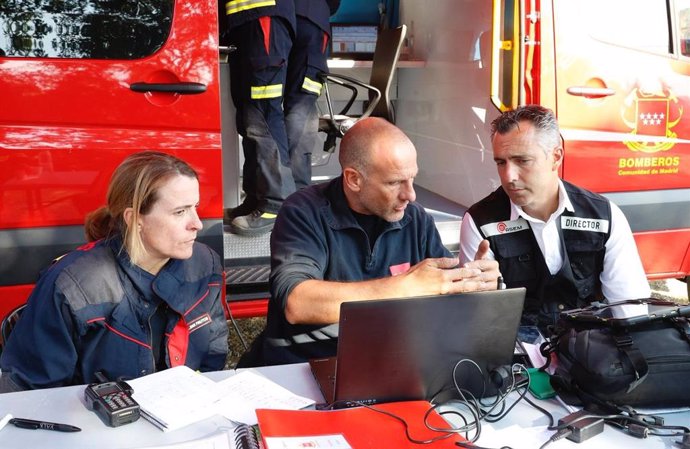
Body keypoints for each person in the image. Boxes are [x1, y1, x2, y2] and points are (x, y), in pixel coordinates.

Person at [250, 117, 501, 366]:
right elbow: (298, 302)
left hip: (388, 362)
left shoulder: (415, 219)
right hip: (305, 364)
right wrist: (405, 287)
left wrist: (472, 283)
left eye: (412, 178)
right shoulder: (303, 211)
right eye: (394, 183)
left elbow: (439, 291)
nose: (410, 195)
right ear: (354, 179)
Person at [0, 152, 229, 392]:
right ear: (134, 218)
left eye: (195, 207)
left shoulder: (205, 263)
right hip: (93, 422)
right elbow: (28, 388)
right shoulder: (75, 286)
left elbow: (213, 349)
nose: (197, 223)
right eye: (180, 212)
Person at [459, 105, 651, 331]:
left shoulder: (604, 216)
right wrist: (482, 295)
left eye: (522, 160)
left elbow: (630, 309)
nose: (509, 176)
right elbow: (480, 321)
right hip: (517, 353)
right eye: (501, 162)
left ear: (556, 157)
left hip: (592, 350)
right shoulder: (481, 221)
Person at [224, 0, 340, 236]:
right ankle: (293, 204)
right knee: (299, 111)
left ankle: (274, 202)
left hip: (262, 10)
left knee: (262, 106)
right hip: (315, 19)